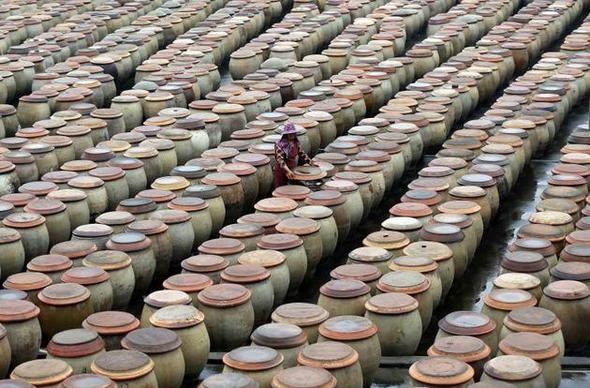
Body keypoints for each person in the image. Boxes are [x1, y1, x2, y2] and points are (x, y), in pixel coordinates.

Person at [273, 122, 314, 188]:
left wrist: (311, 163)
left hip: (292, 168)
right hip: (282, 170)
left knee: (294, 188)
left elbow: (302, 154)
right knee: (281, 189)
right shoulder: (279, 145)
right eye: (289, 133)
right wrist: (288, 171)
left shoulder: (296, 143)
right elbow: (280, 161)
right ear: (285, 134)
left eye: (293, 133)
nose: (291, 135)